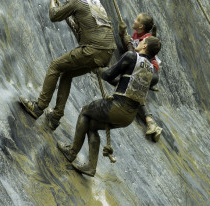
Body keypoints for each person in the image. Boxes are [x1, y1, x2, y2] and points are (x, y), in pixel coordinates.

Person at [57, 36, 162, 176]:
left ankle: (71, 152)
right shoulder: (152, 73)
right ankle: (91, 167)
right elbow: (123, 83)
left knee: (84, 112)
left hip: (117, 106)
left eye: (142, 41)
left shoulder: (131, 56)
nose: (139, 42)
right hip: (128, 117)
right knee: (92, 125)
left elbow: (108, 75)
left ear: (145, 46)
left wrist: (98, 69)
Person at [20, 0, 116, 130]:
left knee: (55, 65)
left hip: (93, 49)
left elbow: (54, 15)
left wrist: (52, 1)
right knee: (67, 74)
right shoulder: (95, 3)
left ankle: (38, 107)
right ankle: (55, 117)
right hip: (106, 52)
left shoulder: (77, 0)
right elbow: (88, 29)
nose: (67, 1)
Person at [118, 13, 162, 142]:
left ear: (141, 26)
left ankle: (151, 123)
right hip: (144, 69)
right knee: (134, 92)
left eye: (136, 19)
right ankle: (151, 123)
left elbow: (133, 51)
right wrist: (123, 36)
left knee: (132, 91)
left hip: (150, 71)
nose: (133, 20)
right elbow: (131, 48)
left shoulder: (147, 39)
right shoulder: (137, 35)